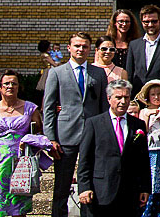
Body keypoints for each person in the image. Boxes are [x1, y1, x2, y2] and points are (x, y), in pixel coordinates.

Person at [43, 32, 109, 217]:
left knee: (89, 182)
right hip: (65, 135)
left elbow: (104, 105)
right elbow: (48, 108)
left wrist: (105, 133)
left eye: (85, 46)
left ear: (90, 49)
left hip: (91, 134)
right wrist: (50, 138)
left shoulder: (98, 72)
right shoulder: (56, 73)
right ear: (69, 48)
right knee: (62, 184)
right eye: (77, 46)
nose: (81, 49)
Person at [76, 80, 150, 217]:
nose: (123, 101)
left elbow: (143, 160)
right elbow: (85, 159)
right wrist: (84, 188)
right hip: (101, 192)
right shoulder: (94, 123)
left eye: (126, 97)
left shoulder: (138, 125)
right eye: (118, 97)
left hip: (129, 193)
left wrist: (145, 188)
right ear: (109, 99)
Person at [0, 70, 44, 217]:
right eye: (6, 83)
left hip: (20, 165)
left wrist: (29, 141)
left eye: (14, 83)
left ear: (19, 87)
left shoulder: (30, 109)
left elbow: (40, 135)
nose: (10, 86)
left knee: (19, 209)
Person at [126, 6, 160, 95]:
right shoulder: (134, 45)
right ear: (141, 22)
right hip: (138, 98)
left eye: (154, 21)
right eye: (146, 22)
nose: (150, 24)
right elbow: (129, 74)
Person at [136, 81, 160, 217]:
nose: (156, 97)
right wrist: (149, 114)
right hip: (150, 150)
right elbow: (143, 129)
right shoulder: (144, 111)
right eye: (153, 95)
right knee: (150, 178)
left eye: (159, 94)